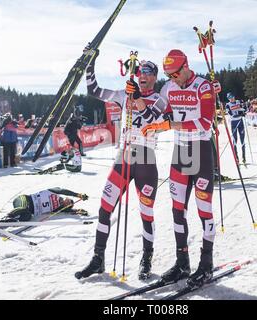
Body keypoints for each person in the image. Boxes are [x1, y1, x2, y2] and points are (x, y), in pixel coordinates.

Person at [75, 51, 163, 281]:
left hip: (145, 158)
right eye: (139, 70)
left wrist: (136, 99)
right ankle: (98, 259)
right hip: (123, 157)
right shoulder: (123, 94)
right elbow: (93, 91)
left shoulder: (160, 98)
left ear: (154, 77)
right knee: (105, 208)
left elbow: (149, 118)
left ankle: (146, 257)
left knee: (146, 213)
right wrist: (89, 65)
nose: (141, 74)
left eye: (147, 71)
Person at [136, 49, 217, 289]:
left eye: (175, 74)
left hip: (201, 151)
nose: (172, 79)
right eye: (168, 75)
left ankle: (206, 264)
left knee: (204, 210)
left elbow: (205, 122)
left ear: (185, 67)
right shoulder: (168, 89)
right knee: (177, 210)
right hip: (180, 153)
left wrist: (170, 124)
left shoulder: (203, 87)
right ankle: (183, 262)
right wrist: (137, 97)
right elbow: (156, 114)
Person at [0, 188, 89, 223]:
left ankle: (6, 222)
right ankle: (6, 217)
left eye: (69, 204)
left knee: (27, 217)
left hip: (27, 211)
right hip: (24, 199)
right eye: (70, 200)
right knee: (24, 208)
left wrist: (78, 211)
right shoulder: (55, 192)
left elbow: (69, 211)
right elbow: (64, 191)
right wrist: (78, 195)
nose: (69, 201)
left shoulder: (57, 209)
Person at [225, 92, 247, 164]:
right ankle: (236, 158)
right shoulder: (228, 105)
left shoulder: (239, 101)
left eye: (232, 97)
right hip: (233, 123)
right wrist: (240, 114)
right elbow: (231, 115)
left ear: (234, 97)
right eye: (229, 98)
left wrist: (243, 112)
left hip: (240, 123)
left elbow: (245, 108)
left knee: (242, 140)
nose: (231, 99)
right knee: (235, 140)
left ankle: (244, 157)